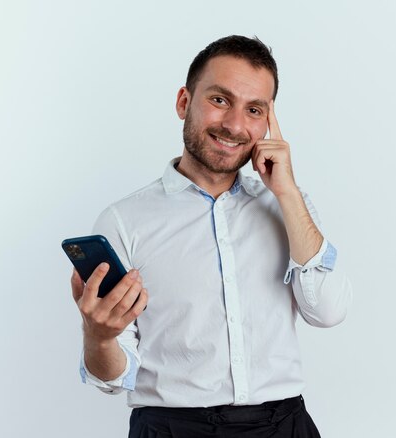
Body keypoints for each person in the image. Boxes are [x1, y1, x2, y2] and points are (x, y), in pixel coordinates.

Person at [71, 35, 352, 438]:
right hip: (172, 428)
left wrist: (287, 193)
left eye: (254, 110)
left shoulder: (288, 206)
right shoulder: (122, 221)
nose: (235, 125)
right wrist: (98, 338)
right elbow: (114, 378)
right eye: (219, 100)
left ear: (269, 123)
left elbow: (327, 312)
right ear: (184, 102)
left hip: (286, 426)